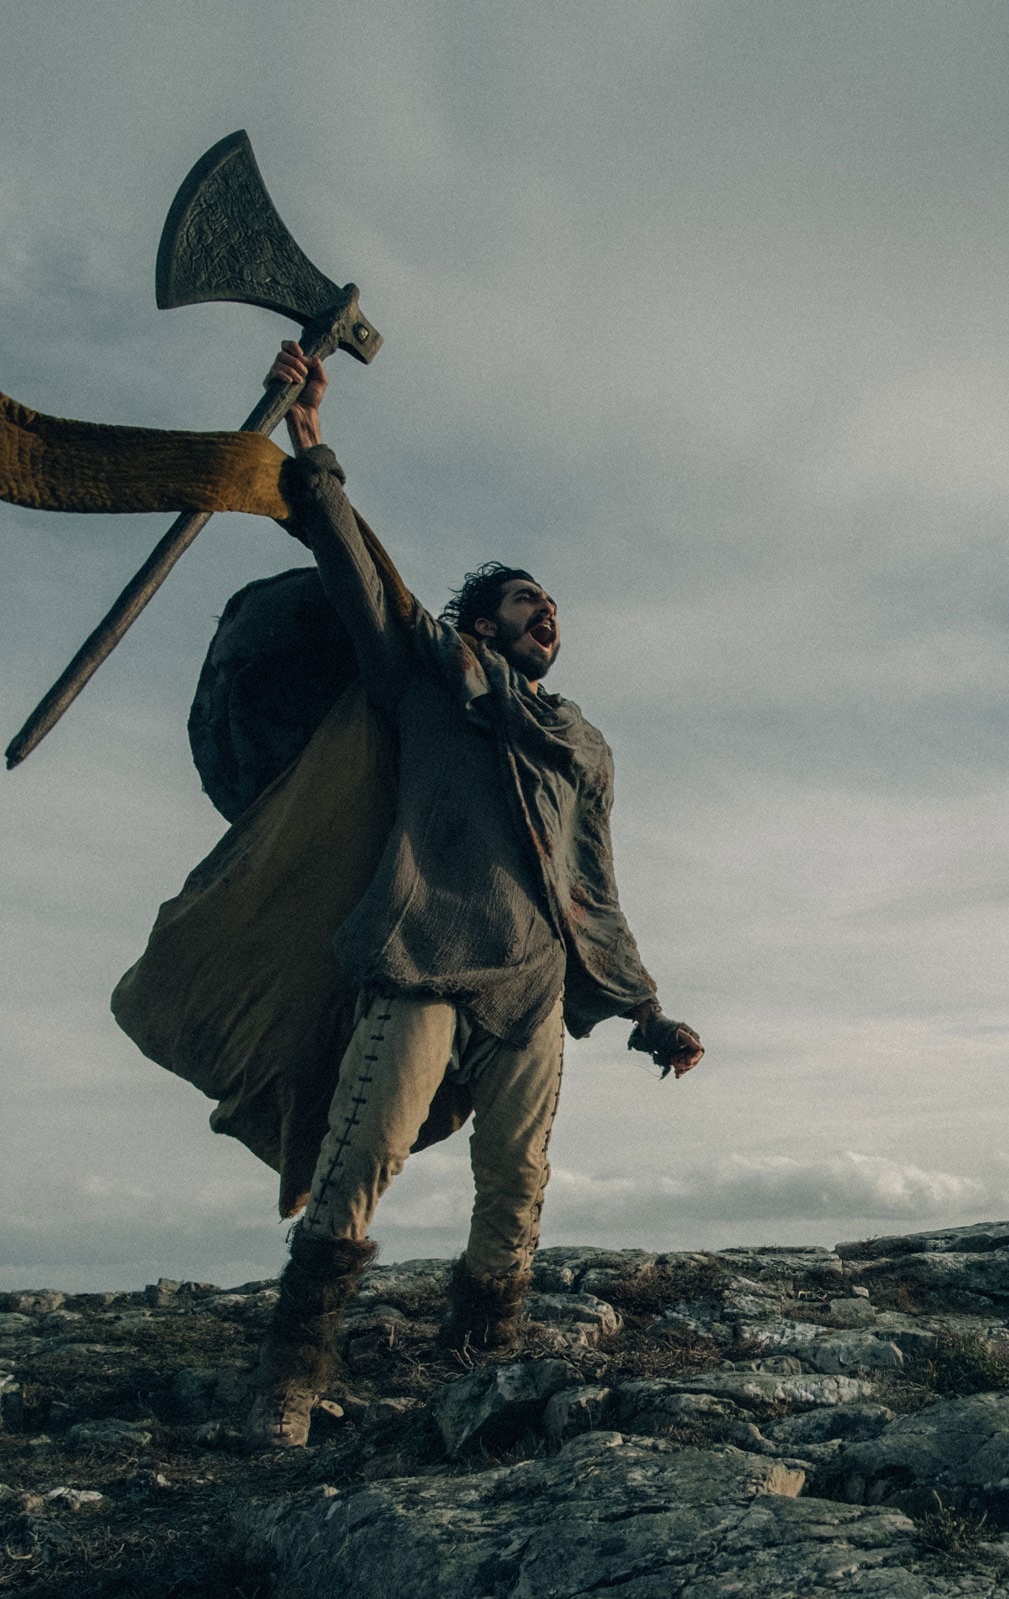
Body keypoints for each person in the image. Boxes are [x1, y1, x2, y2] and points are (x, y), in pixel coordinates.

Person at [244, 341, 703, 1448]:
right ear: (482, 618)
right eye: (522, 602)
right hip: (422, 954)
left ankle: (479, 1357)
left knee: (517, 1183)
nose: (546, 615)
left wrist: (644, 1011)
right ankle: (288, 1384)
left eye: (552, 606)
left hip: (534, 985)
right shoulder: (429, 677)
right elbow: (360, 574)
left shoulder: (579, 740)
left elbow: (591, 880)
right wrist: (312, 442)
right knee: (360, 1160)